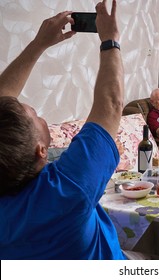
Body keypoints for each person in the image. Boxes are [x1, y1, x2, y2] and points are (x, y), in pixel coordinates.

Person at [0, 0, 127, 259]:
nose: (37, 112)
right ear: (41, 150)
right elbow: (111, 105)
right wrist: (110, 39)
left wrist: (39, 44)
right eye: (34, 114)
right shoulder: (69, 186)